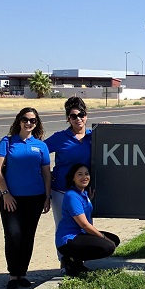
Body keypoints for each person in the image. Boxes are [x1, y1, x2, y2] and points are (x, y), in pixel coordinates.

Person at [0, 107, 51, 289]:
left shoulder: (41, 146)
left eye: (32, 120)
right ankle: (12, 275)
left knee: (27, 237)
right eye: (25, 119)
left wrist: (47, 197)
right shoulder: (7, 142)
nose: (28, 123)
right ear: (19, 121)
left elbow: (46, 174)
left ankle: (23, 274)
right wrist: (5, 194)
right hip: (11, 199)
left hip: (35, 198)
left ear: (36, 123)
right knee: (13, 236)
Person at [56, 164, 120, 276]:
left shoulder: (83, 193)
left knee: (115, 239)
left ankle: (77, 262)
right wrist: (103, 237)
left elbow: (82, 207)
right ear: (73, 178)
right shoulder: (71, 196)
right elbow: (84, 225)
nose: (84, 177)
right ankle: (69, 259)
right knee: (108, 246)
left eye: (86, 174)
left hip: (81, 235)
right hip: (68, 239)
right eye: (80, 174)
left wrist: (88, 199)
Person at [45, 96, 93, 227]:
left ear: (86, 116)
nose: (78, 119)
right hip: (61, 191)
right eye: (73, 116)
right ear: (68, 119)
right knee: (64, 229)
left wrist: (108, 129)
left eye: (81, 115)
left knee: (85, 229)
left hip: (84, 192)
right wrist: (47, 174)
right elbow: (38, 152)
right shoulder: (60, 138)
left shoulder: (94, 136)